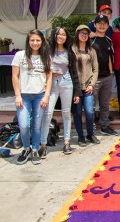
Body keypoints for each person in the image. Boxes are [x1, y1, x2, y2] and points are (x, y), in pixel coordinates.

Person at [12, 29, 52, 165]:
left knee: (36, 125)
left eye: (38, 40)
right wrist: (17, 95)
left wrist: (46, 95)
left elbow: (49, 77)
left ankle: (35, 149)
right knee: (23, 125)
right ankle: (26, 148)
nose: (35, 43)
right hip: (24, 96)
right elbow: (14, 76)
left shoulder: (46, 57)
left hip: (39, 95)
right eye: (32, 40)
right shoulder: (19, 55)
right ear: (28, 41)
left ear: (42, 42)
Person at [40, 27, 81, 157]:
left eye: (63, 34)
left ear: (66, 37)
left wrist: (77, 92)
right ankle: (43, 144)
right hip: (52, 83)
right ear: (54, 36)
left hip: (66, 82)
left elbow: (74, 73)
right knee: (48, 113)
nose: (61, 36)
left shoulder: (69, 52)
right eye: (58, 34)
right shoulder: (47, 51)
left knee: (66, 113)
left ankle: (67, 142)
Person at [72, 25, 100, 146]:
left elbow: (96, 69)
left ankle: (90, 133)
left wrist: (92, 84)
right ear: (77, 34)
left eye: (86, 33)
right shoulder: (72, 49)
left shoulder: (91, 50)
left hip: (88, 87)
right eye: (81, 33)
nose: (84, 35)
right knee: (77, 113)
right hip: (76, 87)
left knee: (89, 111)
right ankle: (80, 136)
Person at [91, 14, 118, 136]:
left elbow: (110, 58)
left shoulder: (108, 40)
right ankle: (91, 130)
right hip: (94, 79)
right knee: (90, 105)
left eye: (104, 23)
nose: (102, 26)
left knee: (105, 104)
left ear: (107, 26)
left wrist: (111, 73)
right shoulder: (90, 41)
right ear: (95, 25)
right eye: (99, 23)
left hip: (107, 77)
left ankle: (105, 126)